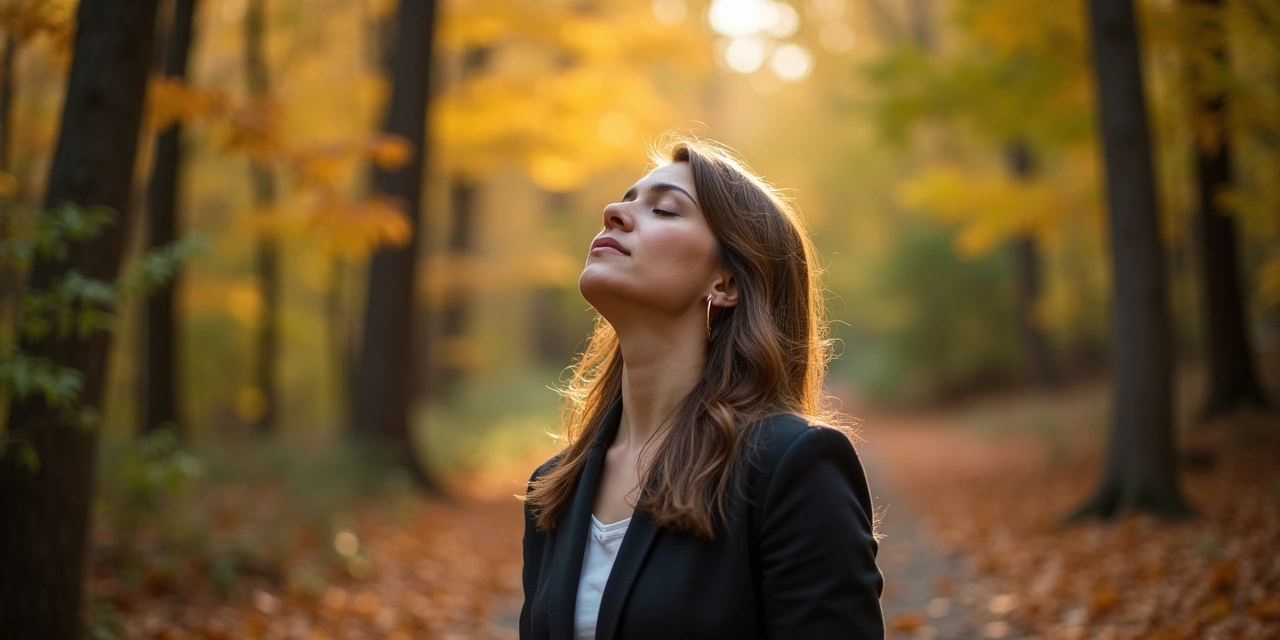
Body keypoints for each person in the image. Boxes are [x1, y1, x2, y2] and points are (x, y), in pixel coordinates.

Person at [519, 133, 884, 640]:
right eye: (624, 200)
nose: (613, 212)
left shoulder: (790, 465)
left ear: (725, 284)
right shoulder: (555, 487)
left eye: (664, 210)